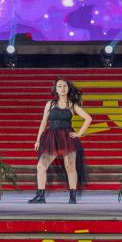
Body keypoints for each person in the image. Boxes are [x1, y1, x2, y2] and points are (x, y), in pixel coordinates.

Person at [28, 77, 92, 205]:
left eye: (65, 86)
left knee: (70, 167)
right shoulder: (50, 104)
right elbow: (43, 122)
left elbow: (88, 118)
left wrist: (79, 133)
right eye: (60, 86)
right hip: (52, 137)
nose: (62, 88)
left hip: (67, 138)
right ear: (56, 89)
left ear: (68, 89)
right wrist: (38, 140)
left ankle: (72, 197)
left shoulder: (72, 105)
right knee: (41, 166)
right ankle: (40, 196)